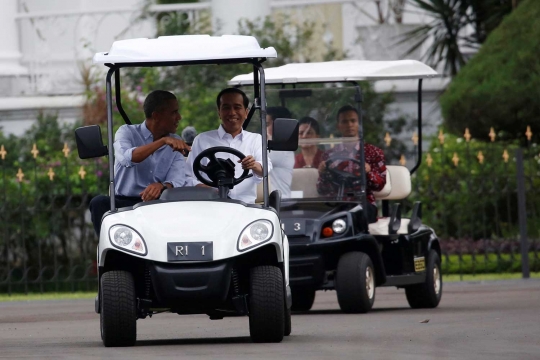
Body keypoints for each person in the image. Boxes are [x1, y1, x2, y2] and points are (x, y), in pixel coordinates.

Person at [89, 90, 190, 236]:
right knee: (98, 202)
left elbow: (178, 179)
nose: (179, 117)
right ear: (156, 116)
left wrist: (161, 186)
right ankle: (112, 252)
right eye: (174, 113)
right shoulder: (126, 132)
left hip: (157, 204)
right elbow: (127, 158)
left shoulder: (175, 141)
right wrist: (162, 141)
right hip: (125, 204)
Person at [185, 88, 272, 203]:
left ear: (246, 113)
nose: (232, 112)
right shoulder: (202, 139)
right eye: (226, 107)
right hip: (209, 205)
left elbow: (266, 169)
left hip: (245, 208)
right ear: (219, 112)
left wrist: (253, 165)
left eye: (237, 107)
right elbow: (188, 177)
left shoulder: (255, 139)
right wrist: (208, 189)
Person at [317, 105, 386, 223]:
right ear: (338, 126)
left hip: (364, 203)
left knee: (357, 215)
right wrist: (322, 174)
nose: (349, 125)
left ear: (359, 124)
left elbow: (380, 185)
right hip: (338, 203)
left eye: (353, 121)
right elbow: (323, 190)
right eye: (344, 121)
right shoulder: (329, 155)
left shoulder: (373, 152)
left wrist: (369, 173)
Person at [266, 106, 295, 198]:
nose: (265, 128)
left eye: (267, 124)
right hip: (268, 204)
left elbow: (257, 161)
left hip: (281, 205)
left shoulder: (282, 148)